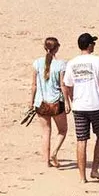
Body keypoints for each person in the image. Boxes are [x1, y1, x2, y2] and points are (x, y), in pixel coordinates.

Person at [62, 34, 99, 185]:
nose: (94, 45)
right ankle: (94, 169)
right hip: (96, 106)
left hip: (79, 107)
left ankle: (82, 177)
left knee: (81, 140)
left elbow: (68, 85)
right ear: (89, 45)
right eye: (93, 43)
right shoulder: (97, 61)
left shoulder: (72, 63)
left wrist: (73, 100)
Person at [29, 36, 68, 170]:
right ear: (56, 48)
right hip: (56, 102)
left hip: (41, 102)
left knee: (46, 132)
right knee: (62, 130)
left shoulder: (37, 63)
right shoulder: (61, 64)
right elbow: (63, 85)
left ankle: (46, 161)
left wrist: (31, 102)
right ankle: (54, 152)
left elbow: (34, 85)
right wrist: (68, 102)